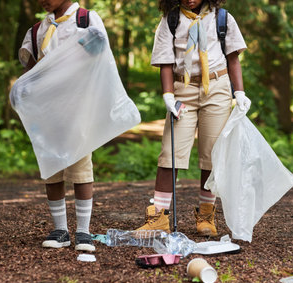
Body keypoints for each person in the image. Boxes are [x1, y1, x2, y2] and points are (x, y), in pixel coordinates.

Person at [135, 0, 250, 236]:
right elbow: (165, 63)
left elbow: (233, 58)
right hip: (183, 88)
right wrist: (168, 95)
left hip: (216, 88)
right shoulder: (171, 20)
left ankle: (207, 215)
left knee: (212, 153)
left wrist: (239, 92)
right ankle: (159, 216)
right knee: (170, 152)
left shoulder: (223, 18)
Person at [18, 0, 108, 251]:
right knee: (51, 165)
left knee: (80, 165)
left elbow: (100, 58)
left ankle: (83, 231)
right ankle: (60, 229)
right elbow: (32, 70)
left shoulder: (86, 21)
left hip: (79, 104)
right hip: (48, 109)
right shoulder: (37, 31)